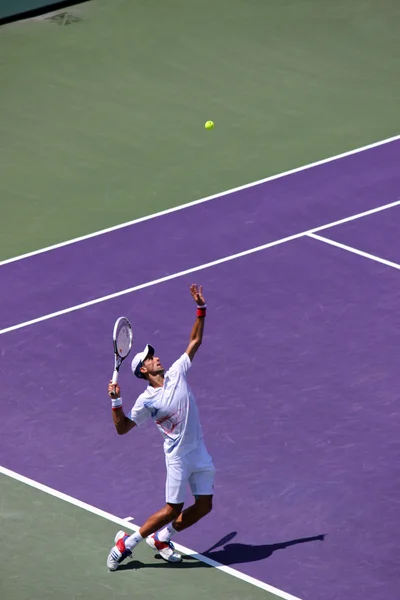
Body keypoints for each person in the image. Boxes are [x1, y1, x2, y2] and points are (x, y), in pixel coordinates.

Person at [106, 284, 215, 571]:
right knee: (172, 509)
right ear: (144, 369)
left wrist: (200, 309)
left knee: (205, 506)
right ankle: (126, 544)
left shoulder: (177, 371)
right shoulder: (146, 401)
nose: (156, 357)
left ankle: (163, 538)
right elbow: (123, 428)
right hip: (178, 458)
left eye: (154, 356)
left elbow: (195, 341)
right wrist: (116, 401)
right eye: (150, 358)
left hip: (199, 450)